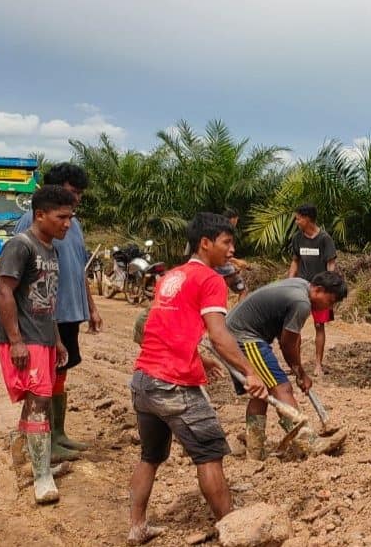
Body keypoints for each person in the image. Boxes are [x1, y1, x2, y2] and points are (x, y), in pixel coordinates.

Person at [127, 213, 268, 545]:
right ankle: (233, 530)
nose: (232, 250)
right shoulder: (210, 280)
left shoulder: (171, 276)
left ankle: (137, 526)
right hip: (173, 385)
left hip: (144, 379)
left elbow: (161, 326)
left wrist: (199, 357)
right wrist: (251, 371)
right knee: (210, 453)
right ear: (205, 243)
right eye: (226, 242)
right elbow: (220, 336)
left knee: (150, 456)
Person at [0, 186, 77, 504]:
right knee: (39, 402)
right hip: (23, 338)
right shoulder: (21, 245)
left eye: (70, 217)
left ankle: (38, 462)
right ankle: (42, 477)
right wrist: (16, 341)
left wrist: (56, 340)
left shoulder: (50, 249)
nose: (67, 223)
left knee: (35, 403)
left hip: (42, 337)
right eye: (62, 217)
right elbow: (4, 292)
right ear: (40, 215)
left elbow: (48, 300)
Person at [14, 163, 103, 462]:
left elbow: (80, 267)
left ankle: (58, 433)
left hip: (69, 310)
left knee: (60, 370)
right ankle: (42, 440)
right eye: (72, 192)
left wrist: (91, 306)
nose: (76, 199)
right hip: (44, 313)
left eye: (78, 194)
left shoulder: (71, 223)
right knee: (43, 376)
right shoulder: (33, 220)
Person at [225, 271, 348, 460]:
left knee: (261, 392)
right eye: (330, 301)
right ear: (318, 290)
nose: (329, 307)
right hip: (244, 337)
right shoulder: (302, 303)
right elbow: (287, 343)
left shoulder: (301, 284)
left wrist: (299, 371)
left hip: (235, 333)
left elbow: (294, 336)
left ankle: (255, 450)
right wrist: (300, 372)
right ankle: (307, 442)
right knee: (282, 388)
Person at [288, 203, 336, 377]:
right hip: (301, 288)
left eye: (298, 218)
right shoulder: (297, 238)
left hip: (320, 291)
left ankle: (318, 365)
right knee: (294, 327)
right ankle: (295, 364)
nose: (296, 221)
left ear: (307, 218)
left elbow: (331, 263)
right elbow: (295, 260)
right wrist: (290, 280)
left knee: (319, 326)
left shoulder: (324, 239)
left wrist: (330, 285)